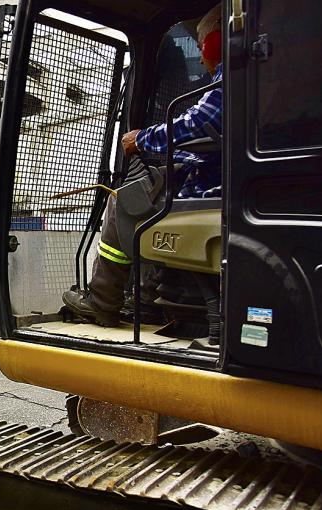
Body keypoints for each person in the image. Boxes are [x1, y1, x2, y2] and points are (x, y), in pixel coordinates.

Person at [63, 6, 223, 327]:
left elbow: (197, 124)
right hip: (216, 182)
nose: (201, 57)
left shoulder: (228, 83)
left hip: (208, 190)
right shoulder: (257, 80)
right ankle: (148, 299)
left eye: (202, 45)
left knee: (125, 200)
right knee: (149, 191)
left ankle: (102, 301)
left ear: (214, 45)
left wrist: (141, 139)